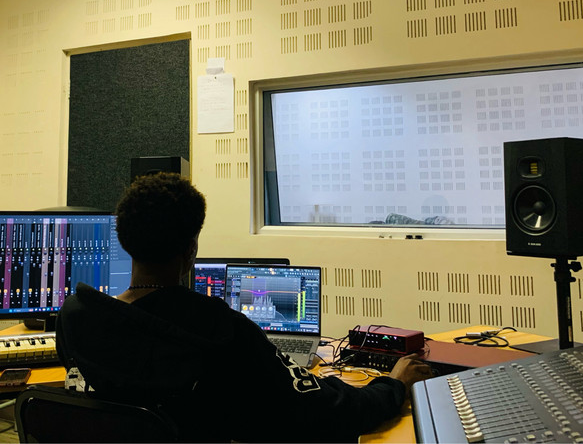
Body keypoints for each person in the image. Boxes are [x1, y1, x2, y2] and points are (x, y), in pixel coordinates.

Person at [56, 172, 433, 442]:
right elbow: (322, 409)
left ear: (125, 242)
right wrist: (392, 385)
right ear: (190, 249)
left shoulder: (78, 318)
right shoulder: (221, 331)